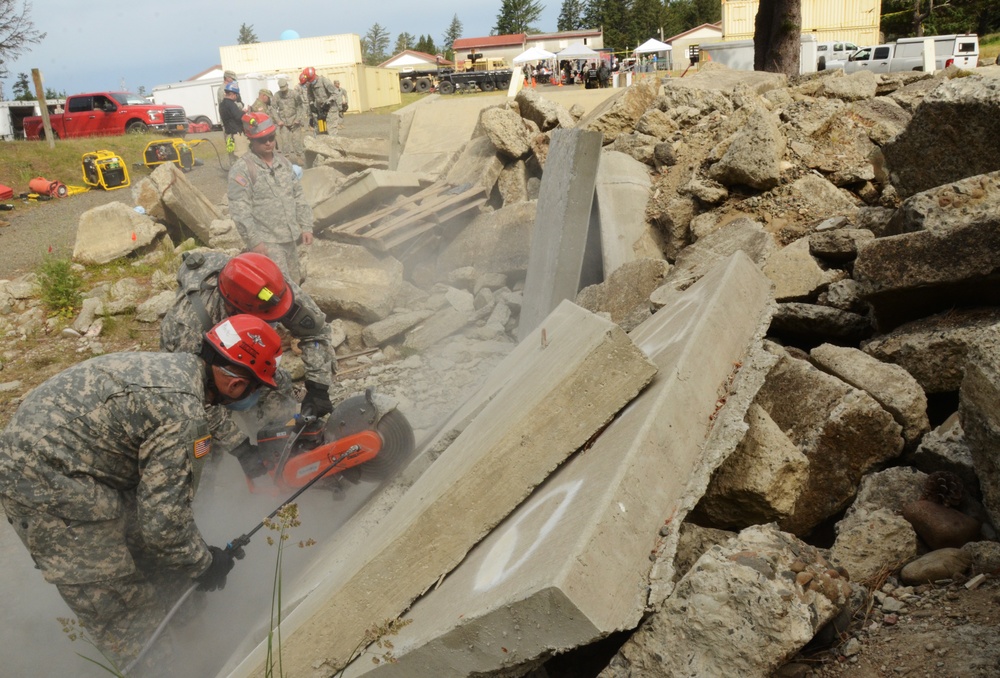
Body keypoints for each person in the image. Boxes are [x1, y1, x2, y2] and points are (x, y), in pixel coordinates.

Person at [0, 315, 283, 668]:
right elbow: (163, 524)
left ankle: (205, 646)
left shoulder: (179, 371)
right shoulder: (182, 414)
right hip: (43, 484)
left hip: (78, 468)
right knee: (124, 609)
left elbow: (160, 529)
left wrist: (192, 561)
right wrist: (205, 564)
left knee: (163, 565)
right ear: (237, 385)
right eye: (256, 388)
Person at [160, 250, 335, 454]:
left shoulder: (271, 288)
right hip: (204, 360)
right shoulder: (187, 326)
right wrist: (238, 447)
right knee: (199, 430)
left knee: (277, 386)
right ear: (233, 309)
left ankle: (281, 448)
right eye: (264, 317)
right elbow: (189, 397)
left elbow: (316, 333)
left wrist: (318, 386)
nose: (272, 320)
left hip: (244, 341)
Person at [228, 113, 314, 284]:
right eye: (262, 140)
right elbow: (240, 210)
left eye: (271, 137)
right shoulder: (243, 169)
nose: (268, 142)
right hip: (268, 243)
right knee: (280, 287)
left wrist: (306, 226)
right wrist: (255, 241)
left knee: (295, 283)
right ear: (251, 140)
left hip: (290, 239)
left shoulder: (283, 163)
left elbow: (298, 196)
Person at [299, 67, 347, 135]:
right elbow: (310, 96)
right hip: (320, 110)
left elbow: (335, 93)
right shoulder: (310, 84)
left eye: (311, 79)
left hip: (331, 109)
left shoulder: (324, 81)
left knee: (331, 131)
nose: (311, 81)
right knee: (321, 131)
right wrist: (312, 104)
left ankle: (333, 144)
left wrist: (328, 102)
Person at [272, 77, 308, 162]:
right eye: (282, 88)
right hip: (283, 122)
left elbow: (300, 107)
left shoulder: (294, 93)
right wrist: (278, 120)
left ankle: (299, 157)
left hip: (294, 121)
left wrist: (298, 119)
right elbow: (273, 108)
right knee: (285, 142)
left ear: (287, 85)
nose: (283, 90)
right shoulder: (277, 95)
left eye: (285, 88)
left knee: (296, 140)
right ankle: (286, 159)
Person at [220, 82, 248, 165]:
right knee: (242, 158)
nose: (237, 97)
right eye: (236, 95)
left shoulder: (222, 105)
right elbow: (238, 116)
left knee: (233, 159)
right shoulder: (231, 104)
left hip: (229, 136)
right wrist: (244, 112)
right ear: (232, 94)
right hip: (237, 135)